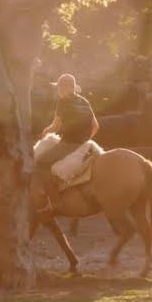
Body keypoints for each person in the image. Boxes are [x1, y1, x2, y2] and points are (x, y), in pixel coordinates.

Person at [35, 73, 99, 213]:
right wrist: (85, 140)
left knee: (41, 163)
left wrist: (45, 132)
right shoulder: (84, 101)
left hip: (69, 143)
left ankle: (55, 202)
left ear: (66, 87)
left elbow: (55, 127)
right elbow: (95, 126)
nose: (58, 90)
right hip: (84, 142)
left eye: (59, 87)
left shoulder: (63, 102)